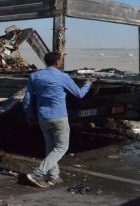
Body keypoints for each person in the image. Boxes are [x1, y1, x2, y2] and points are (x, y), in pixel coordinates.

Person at [22, 52, 92, 188]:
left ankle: (53, 176)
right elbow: (79, 94)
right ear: (57, 62)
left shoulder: (35, 76)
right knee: (61, 147)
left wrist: (28, 114)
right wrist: (88, 85)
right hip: (59, 117)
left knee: (50, 147)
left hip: (43, 117)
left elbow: (27, 98)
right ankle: (38, 173)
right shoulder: (62, 76)